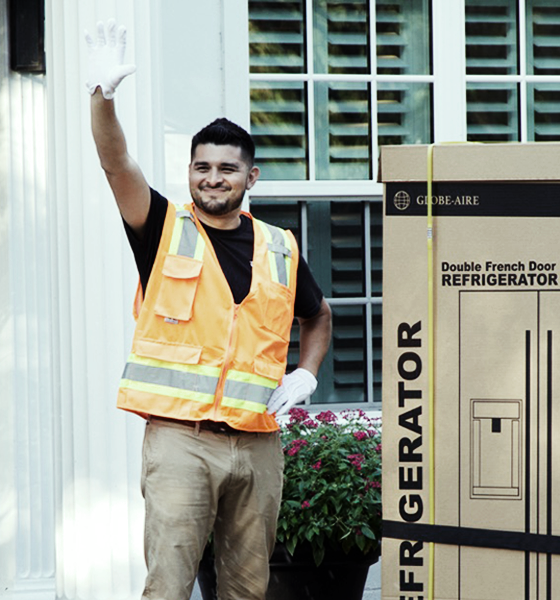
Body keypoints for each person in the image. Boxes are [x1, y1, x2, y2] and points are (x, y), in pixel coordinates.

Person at [85, 19, 333, 600]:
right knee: (168, 584)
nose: (212, 178)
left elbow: (317, 315)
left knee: (248, 588)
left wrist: (306, 373)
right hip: (180, 441)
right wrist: (103, 98)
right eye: (202, 166)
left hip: (257, 441)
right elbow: (116, 163)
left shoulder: (279, 245)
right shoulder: (162, 228)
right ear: (189, 172)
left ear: (251, 176)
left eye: (226, 168)